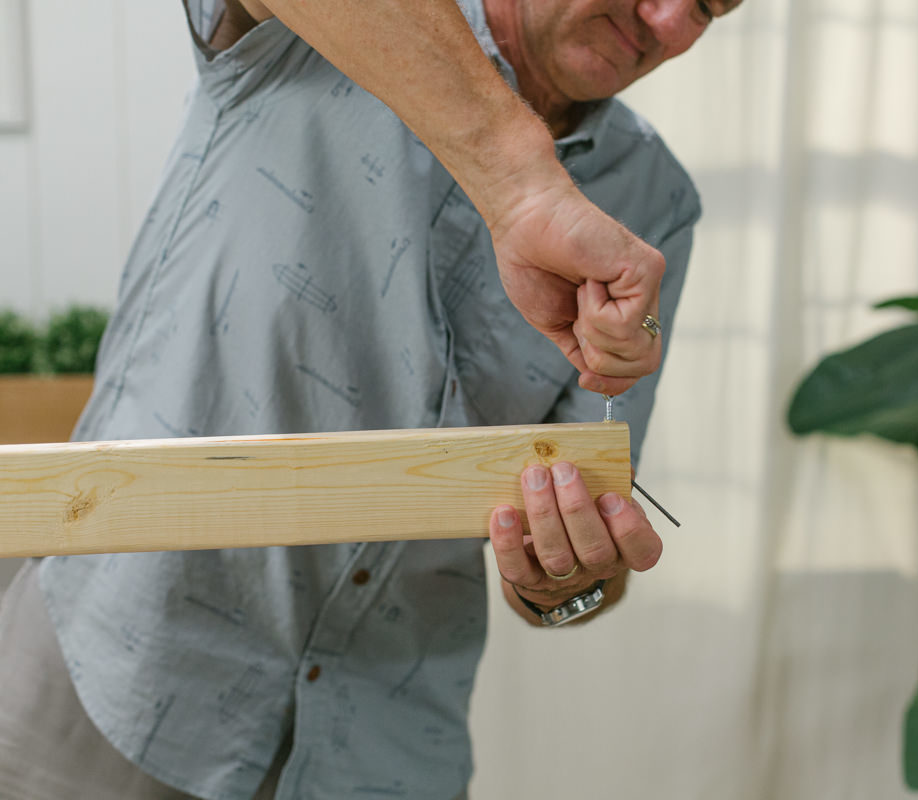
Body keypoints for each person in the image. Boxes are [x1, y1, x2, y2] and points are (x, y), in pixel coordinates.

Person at [0, 0, 740, 797]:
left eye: (706, 7)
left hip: (386, 755)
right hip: (119, 686)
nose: (663, 20)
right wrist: (522, 183)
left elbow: (593, 565)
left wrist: (565, 582)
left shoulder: (657, 201)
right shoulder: (317, 29)